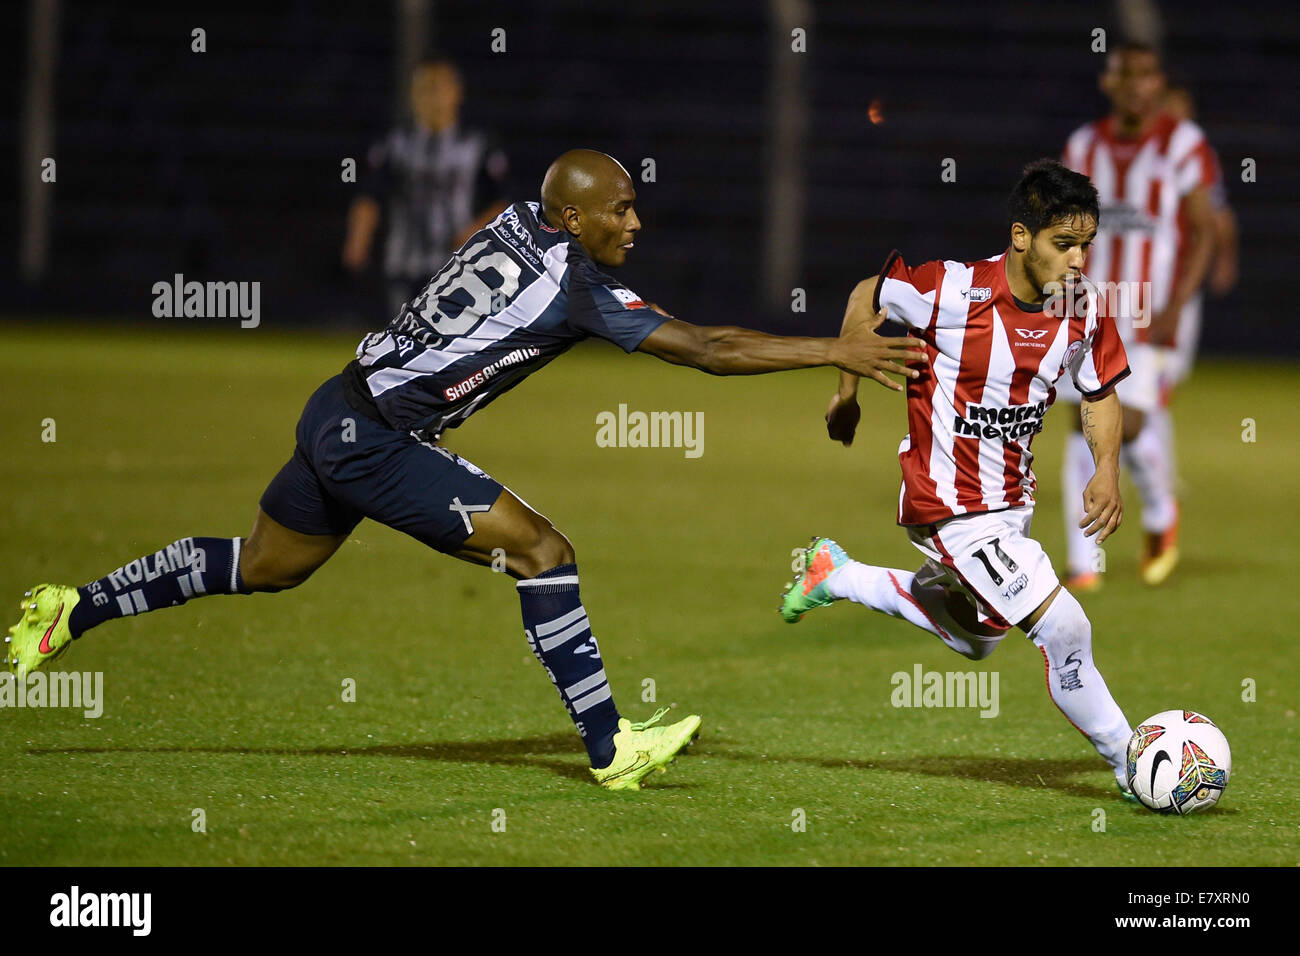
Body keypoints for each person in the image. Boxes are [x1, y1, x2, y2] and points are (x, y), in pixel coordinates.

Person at [8, 149, 927, 793]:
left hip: (339, 404)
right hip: (373, 437)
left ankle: (70, 609)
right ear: (571, 216)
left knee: (267, 566)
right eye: (619, 209)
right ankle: (611, 749)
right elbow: (710, 348)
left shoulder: (519, 219)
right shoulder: (575, 279)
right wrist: (833, 349)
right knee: (543, 551)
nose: (635, 221)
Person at [779, 159, 1139, 799]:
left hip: (1011, 503)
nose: (1079, 260)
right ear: (1022, 237)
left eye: (1087, 244)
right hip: (948, 501)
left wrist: (1107, 468)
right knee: (1064, 628)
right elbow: (869, 292)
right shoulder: (949, 289)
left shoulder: (1084, 308)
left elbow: (1102, 390)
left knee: (977, 639)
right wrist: (846, 390)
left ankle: (835, 574)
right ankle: (1133, 763)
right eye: (1064, 245)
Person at [1055, 43, 1218, 590]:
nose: (1135, 86)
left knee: (1132, 423)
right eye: (1125, 75)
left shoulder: (1184, 144)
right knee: (1079, 423)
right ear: (1109, 81)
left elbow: (1205, 231)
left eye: (1146, 75)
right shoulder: (1082, 144)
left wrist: (1178, 303)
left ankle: (1158, 508)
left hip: (1152, 309)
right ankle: (1082, 562)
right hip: (1089, 307)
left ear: (1158, 83)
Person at [342, 57, 511, 319]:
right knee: (403, 337)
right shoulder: (393, 143)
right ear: (412, 95)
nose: (433, 97)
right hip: (403, 264)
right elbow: (369, 196)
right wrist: (358, 240)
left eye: (439, 87)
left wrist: (473, 232)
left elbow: (502, 202)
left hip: (458, 263)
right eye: (424, 88)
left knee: (451, 338)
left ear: (457, 92)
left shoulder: (479, 144)